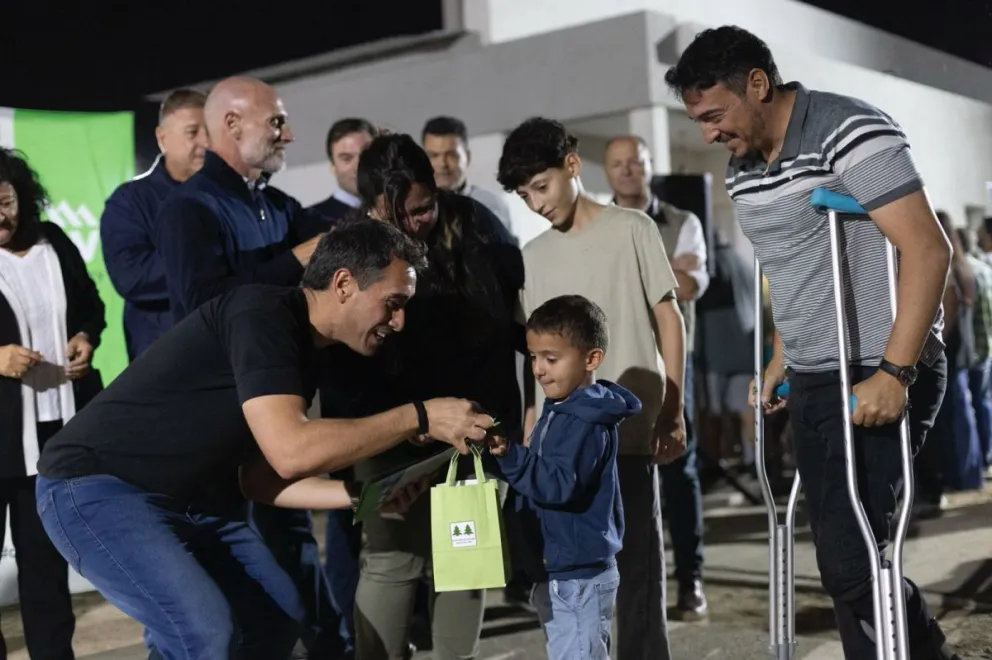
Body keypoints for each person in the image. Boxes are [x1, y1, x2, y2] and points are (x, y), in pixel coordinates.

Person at [34, 219, 496, 660]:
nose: (399, 322)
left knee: (274, 623)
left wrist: (360, 494)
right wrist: (419, 416)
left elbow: (259, 479)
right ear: (343, 284)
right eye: (393, 303)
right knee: (203, 631)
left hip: (192, 501)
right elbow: (292, 451)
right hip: (97, 488)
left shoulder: (305, 349)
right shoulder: (261, 314)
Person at [666, 25, 959, 659]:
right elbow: (793, 265)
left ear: (757, 84)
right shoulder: (742, 167)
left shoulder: (848, 129)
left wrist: (895, 374)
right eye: (698, 121)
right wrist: (780, 354)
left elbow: (929, 249)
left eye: (714, 115)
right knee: (839, 560)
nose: (708, 135)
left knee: (855, 559)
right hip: (814, 372)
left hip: (879, 365)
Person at [153, 75, 335, 654]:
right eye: (276, 121)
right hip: (221, 428)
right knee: (228, 575)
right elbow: (205, 305)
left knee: (294, 550)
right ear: (231, 124)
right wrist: (296, 259)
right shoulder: (188, 208)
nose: (289, 134)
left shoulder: (280, 206)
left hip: (280, 412)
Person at [497, 117, 686, 660]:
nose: (536, 203)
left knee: (639, 571)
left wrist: (674, 407)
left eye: (542, 186)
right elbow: (535, 349)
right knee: (573, 577)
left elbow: (669, 318)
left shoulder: (633, 228)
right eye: (525, 195)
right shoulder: (532, 255)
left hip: (630, 430)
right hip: (559, 444)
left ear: (572, 165)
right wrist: (531, 417)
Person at [329, 133, 522, 660]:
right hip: (387, 428)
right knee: (393, 560)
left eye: (424, 208)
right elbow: (340, 354)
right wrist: (391, 442)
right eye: (399, 214)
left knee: (466, 559)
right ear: (370, 204)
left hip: (473, 423)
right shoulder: (352, 245)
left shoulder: (474, 224)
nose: (415, 223)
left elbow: (515, 319)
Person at [486, 294, 637, 660]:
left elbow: (558, 484)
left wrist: (509, 454)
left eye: (551, 359)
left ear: (591, 359)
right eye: (533, 357)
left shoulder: (585, 423)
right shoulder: (560, 410)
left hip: (580, 576)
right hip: (558, 570)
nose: (539, 369)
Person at [0, 147, 105, 660]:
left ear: (22, 196)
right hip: (0, 434)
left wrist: (85, 336)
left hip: (53, 433)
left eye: (4, 202)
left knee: (46, 569)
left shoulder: (53, 240)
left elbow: (91, 305)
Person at [604, 133, 709, 620]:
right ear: (607, 171)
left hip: (671, 360)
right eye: (618, 163)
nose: (628, 170)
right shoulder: (598, 224)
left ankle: (690, 578)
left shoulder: (683, 221)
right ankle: (632, 580)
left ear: (650, 166)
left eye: (636, 162)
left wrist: (634, 272)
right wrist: (666, 268)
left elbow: (690, 285)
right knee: (619, 470)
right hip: (617, 363)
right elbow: (672, 279)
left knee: (679, 468)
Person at [101, 88, 208, 360]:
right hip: (166, 359)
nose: (205, 142)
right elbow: (132, 277)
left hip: (226, 353)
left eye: (210, 131)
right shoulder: (129, 202)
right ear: (162, 138)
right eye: (193, 132)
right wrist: (213, 261)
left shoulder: (228, 195)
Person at [421, 116, 514, 240]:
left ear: (467, 157)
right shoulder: (412, 205)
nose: (442, 164)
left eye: (451, 155)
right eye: (433, 155)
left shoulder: (490, 204)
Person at [309, 117, 377, 224]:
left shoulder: (398, 211)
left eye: (366, 155)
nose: (358, 166)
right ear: (333, 166)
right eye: (346, 158)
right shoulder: (311, 220)